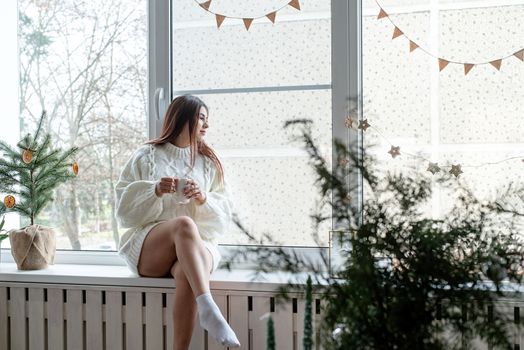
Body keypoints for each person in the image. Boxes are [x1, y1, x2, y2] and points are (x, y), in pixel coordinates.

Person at [115, 94, 241, 349]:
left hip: (197, 247)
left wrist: (203, 199)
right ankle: (208, 304)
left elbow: (223, 221)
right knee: (183, 224)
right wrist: (154, 190)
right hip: (152, 248)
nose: (206, 125)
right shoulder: (145, 155)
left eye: (207, 120)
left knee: (187, 271)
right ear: (183, 117)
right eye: (201, 118)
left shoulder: (209, 163)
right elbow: (123, 212)